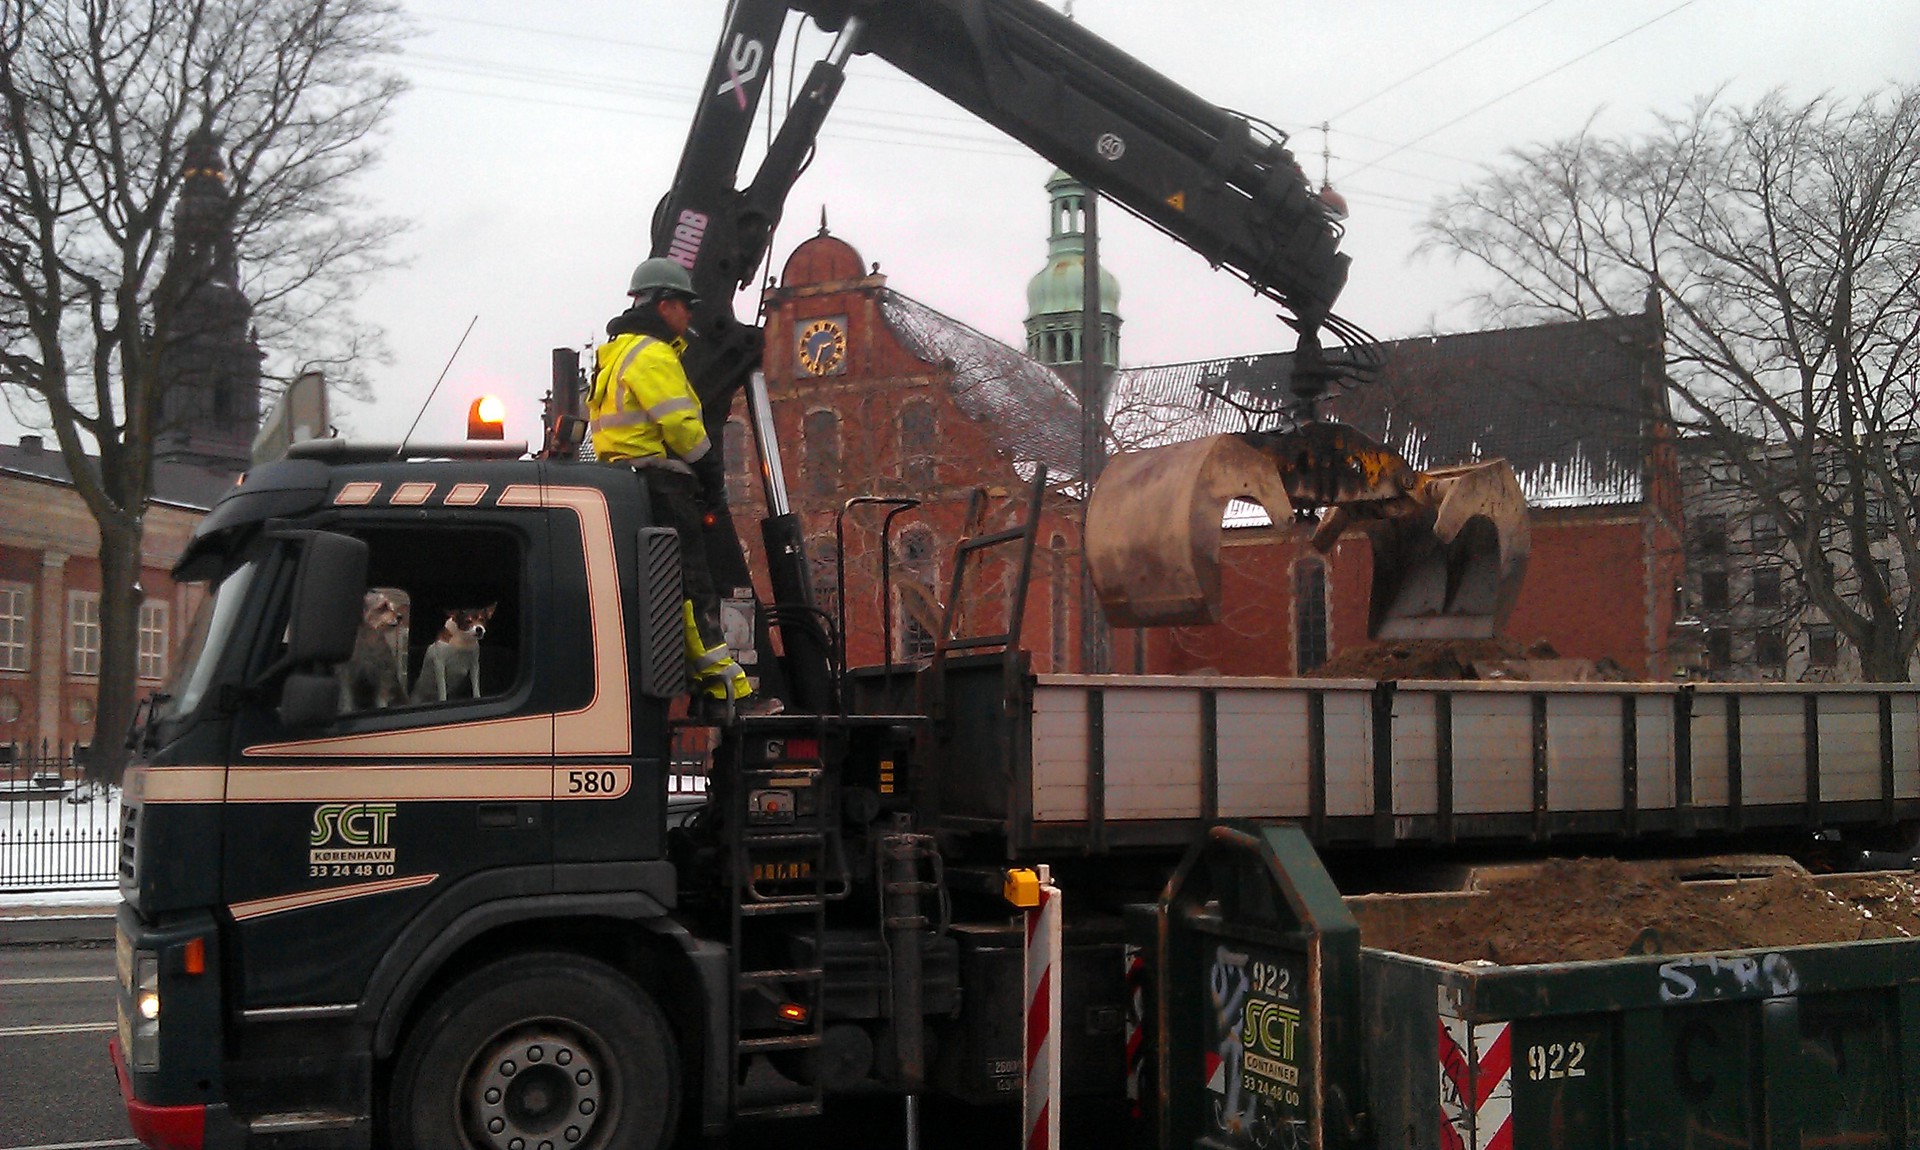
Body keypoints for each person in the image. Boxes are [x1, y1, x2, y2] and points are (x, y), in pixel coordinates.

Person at [589, 257, 782, 720]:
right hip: (663, 483)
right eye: (685, 305)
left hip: (626, 484)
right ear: (664, 304)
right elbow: (680, 424)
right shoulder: (653, 354)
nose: (691, 315)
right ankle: (726, 691)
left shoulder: (615, 354)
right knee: (695, 590)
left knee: (667, 592)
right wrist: (710, 470)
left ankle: (702, 685)